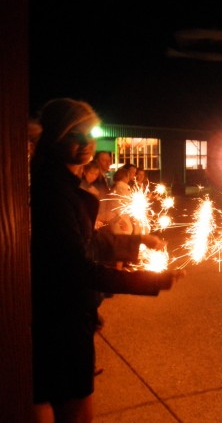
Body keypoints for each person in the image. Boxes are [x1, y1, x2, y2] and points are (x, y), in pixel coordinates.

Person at [30, 98, 183, 422]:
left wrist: (138, 241)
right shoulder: (54, 193)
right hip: (62, 320)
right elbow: (77, 267)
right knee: (74, 410)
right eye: (75, 135)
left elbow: (87, 242)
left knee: (50, 402)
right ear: (55, 137)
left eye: (89, 133)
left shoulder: (63, 186)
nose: (86, 142)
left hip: (66, 315)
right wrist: (151, 280)